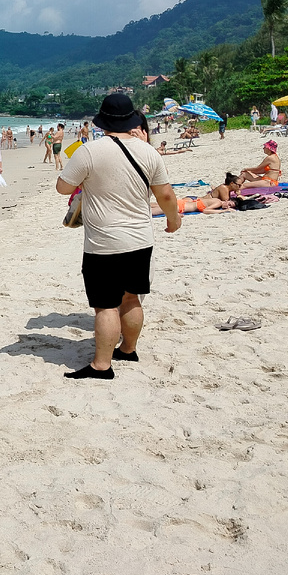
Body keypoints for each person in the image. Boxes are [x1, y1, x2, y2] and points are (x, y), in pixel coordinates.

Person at [56, 94, 181, 380]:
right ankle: (128, 349)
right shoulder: (149, 152)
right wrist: (173, 220)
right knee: (131, 298)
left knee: (105, 305)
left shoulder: (89, 152)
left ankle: (102, 365)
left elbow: (63, 188)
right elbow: (165, 194)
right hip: (140, 240)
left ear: (102, 122)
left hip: (104, 243)